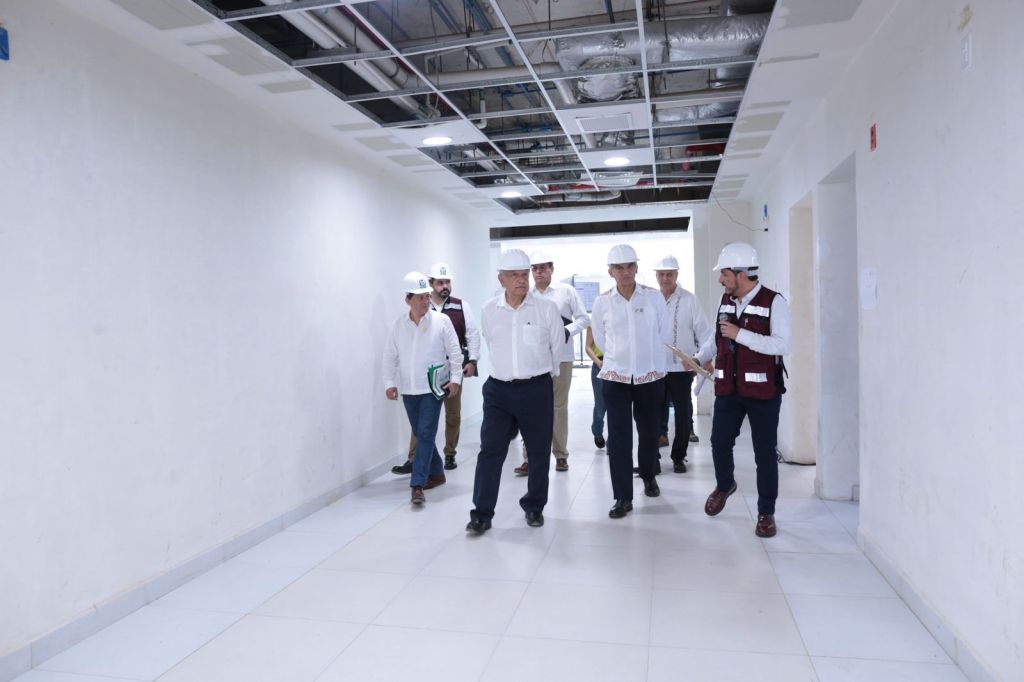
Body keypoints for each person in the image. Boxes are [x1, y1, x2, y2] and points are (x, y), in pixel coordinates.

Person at [466, 249, 564, 534]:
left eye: (524, 274)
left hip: (536, 388)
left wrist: (541, 376)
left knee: (538, 451)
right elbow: (490, 343)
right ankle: (481, 513)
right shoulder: (489, 310)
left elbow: (556, 348)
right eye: (514, 275)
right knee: (490, 451)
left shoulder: (546, 309)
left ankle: (534, 506)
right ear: (502, 279)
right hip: (498, 390)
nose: (522, 280)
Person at [698, 242, 791, 538]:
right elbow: (716, 338)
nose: (720, 280)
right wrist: (699, 358)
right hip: (728, 388)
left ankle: (766, 512)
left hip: (763, 392)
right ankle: (725, 485)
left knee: (764, 453)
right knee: (719, 442)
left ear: (740, 274)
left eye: (724, 274)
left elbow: (783, 344)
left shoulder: (774, 302)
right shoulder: (725, 300)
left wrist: (742, 334)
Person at [591, 244, 671, 519]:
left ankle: (649, 476)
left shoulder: (653, 298)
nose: (625, 272)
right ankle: (623, 496)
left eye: (629, 267)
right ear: (610, 272)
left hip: (649, 376)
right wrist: (621, 359)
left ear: (637, 268)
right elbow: (601, 339)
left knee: (649, 432)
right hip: (616, 378)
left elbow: (662, 333)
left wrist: (646, 360)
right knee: (619, 438)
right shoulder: (602, 302)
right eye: (619, 268)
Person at [382, 272, 464, 505]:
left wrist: (455, 379)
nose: (425, 301)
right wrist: (389, 383)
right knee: (421, 434)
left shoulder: (441, 321)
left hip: (433, 389)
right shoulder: (398, 326)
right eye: (419, 297)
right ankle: (437, 474)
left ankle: (417, 484)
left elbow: (455, 353)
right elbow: (389, 356)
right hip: (409, 391)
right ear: (407, 299)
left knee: (426, 434)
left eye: (427, 296)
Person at [393, 261, 480, 474]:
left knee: (453, 414)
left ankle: (450, 453)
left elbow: (472, 334)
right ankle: (414, 458)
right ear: (431, 284)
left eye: (447, 282)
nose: (445, 286)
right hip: (427, 373)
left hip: (452, 370)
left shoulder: (461, 306)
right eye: (440, 282)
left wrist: (472, 361)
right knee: (422, 420)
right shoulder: (422, 305)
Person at [511, 252, 589, 475]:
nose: (539, 272)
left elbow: (584, 318)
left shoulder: (566, 292)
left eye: (543, 268)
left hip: (562, 357)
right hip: (534, 360)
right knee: (531, 408)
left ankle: (561, 455)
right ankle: (529, 458)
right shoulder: (526, 294)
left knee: (558, 407)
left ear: (551, 269)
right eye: (535, 268)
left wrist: (566, 330)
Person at [654, 255, 713, 474]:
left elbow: (704, 332)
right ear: (656, 276)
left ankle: (679, 456)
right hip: (655, 369)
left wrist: (705, 358)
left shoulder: (690, 300)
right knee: (652, 413)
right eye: (661, 274)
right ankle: (652, 458)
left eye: (669, 274)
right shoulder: (650, 300)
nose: (665, 278)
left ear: (676, 275)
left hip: (682, 368)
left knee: (683, 414)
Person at [585, 326, 606, 449]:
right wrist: (598, 362)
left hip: (616, 365)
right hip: (599, 365)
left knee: (616, 405)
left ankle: (613, 441)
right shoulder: (592, 325)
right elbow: (588, 347)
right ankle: (597, 431)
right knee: (600, 404)